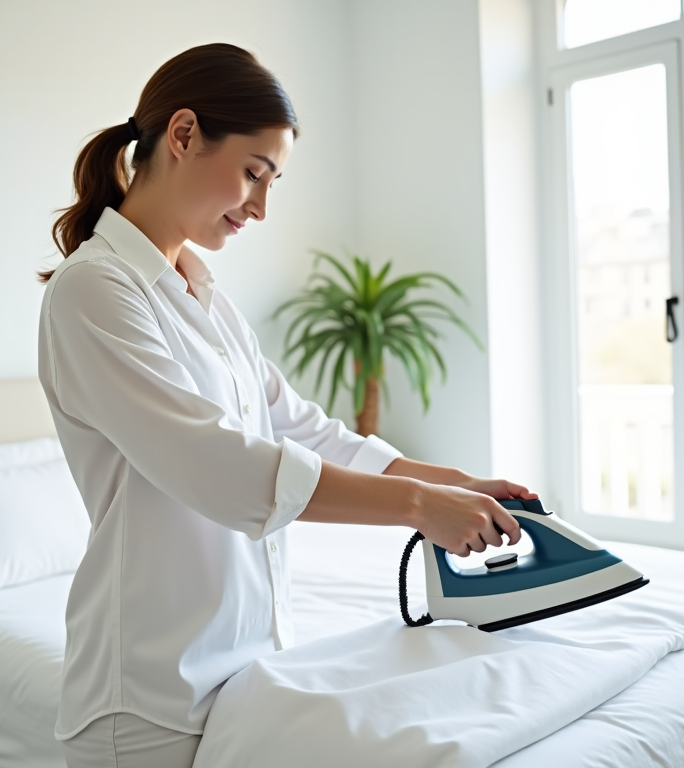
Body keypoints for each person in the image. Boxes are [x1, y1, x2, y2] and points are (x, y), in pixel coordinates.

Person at [38, 42, 536, 768]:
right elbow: (220, 467)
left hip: (250, 670)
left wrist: (449, 482)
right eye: (253, 173)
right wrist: (418, 508)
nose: (262, 208)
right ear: (181, 136)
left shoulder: (204, 296)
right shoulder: (93, 291)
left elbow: (302, 430)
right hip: (147, 695)